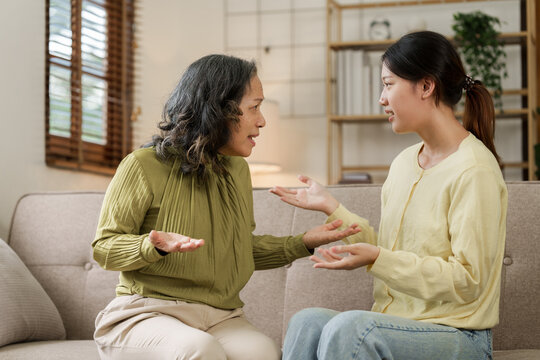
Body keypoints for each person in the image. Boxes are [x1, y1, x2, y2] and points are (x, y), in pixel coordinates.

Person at [91, 54, 360, 360]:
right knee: (198, 350)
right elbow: (104, 248)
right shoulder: (142, 165)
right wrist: (152, 246)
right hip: (147, 312)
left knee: (264, 353)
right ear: (218, 109)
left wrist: (304, 242)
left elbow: (240, 249)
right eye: (254, 107)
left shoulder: (236, 169)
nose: (262, 120)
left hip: (220, 316)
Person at [271, 31, 507, 360]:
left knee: (352, 328)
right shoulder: (403, 164)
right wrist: (331, 206)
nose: (382, 98)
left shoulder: (474, 169)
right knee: (306, 322)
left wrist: (378, 259)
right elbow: (387, 251)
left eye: (388, 84)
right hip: (396, 323)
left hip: (459, 334)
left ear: (426, 86)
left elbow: (469, 280)